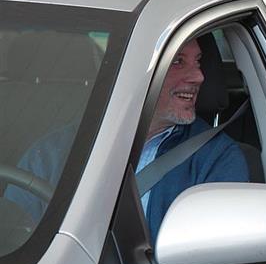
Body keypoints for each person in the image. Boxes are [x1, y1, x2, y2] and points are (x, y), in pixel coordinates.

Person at [5, 38, 249, 242]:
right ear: (133, 72)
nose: (198, 76)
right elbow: (12, 236)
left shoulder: (216, 159)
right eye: (178, 61)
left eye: (198, 61)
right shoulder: (51, 153)